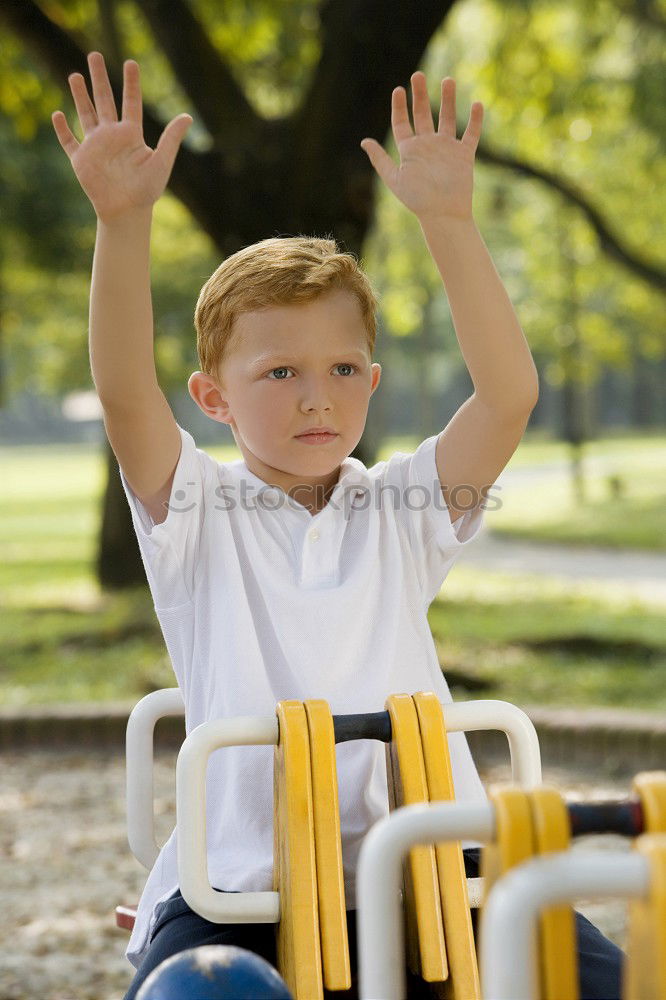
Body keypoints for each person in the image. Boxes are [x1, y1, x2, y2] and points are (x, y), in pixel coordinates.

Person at [52, 52, 624, 1000]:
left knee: (600, 977)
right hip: (249, 879)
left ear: (373, 379)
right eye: (279, 373)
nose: (318, 399)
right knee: (198, 989)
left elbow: (509, 394)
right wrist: (123, 223)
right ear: (212, 398)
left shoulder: (398, 508)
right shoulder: (196, 511)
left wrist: (448, 224)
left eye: (344, 370)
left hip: (436, 860)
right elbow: (122, 391)